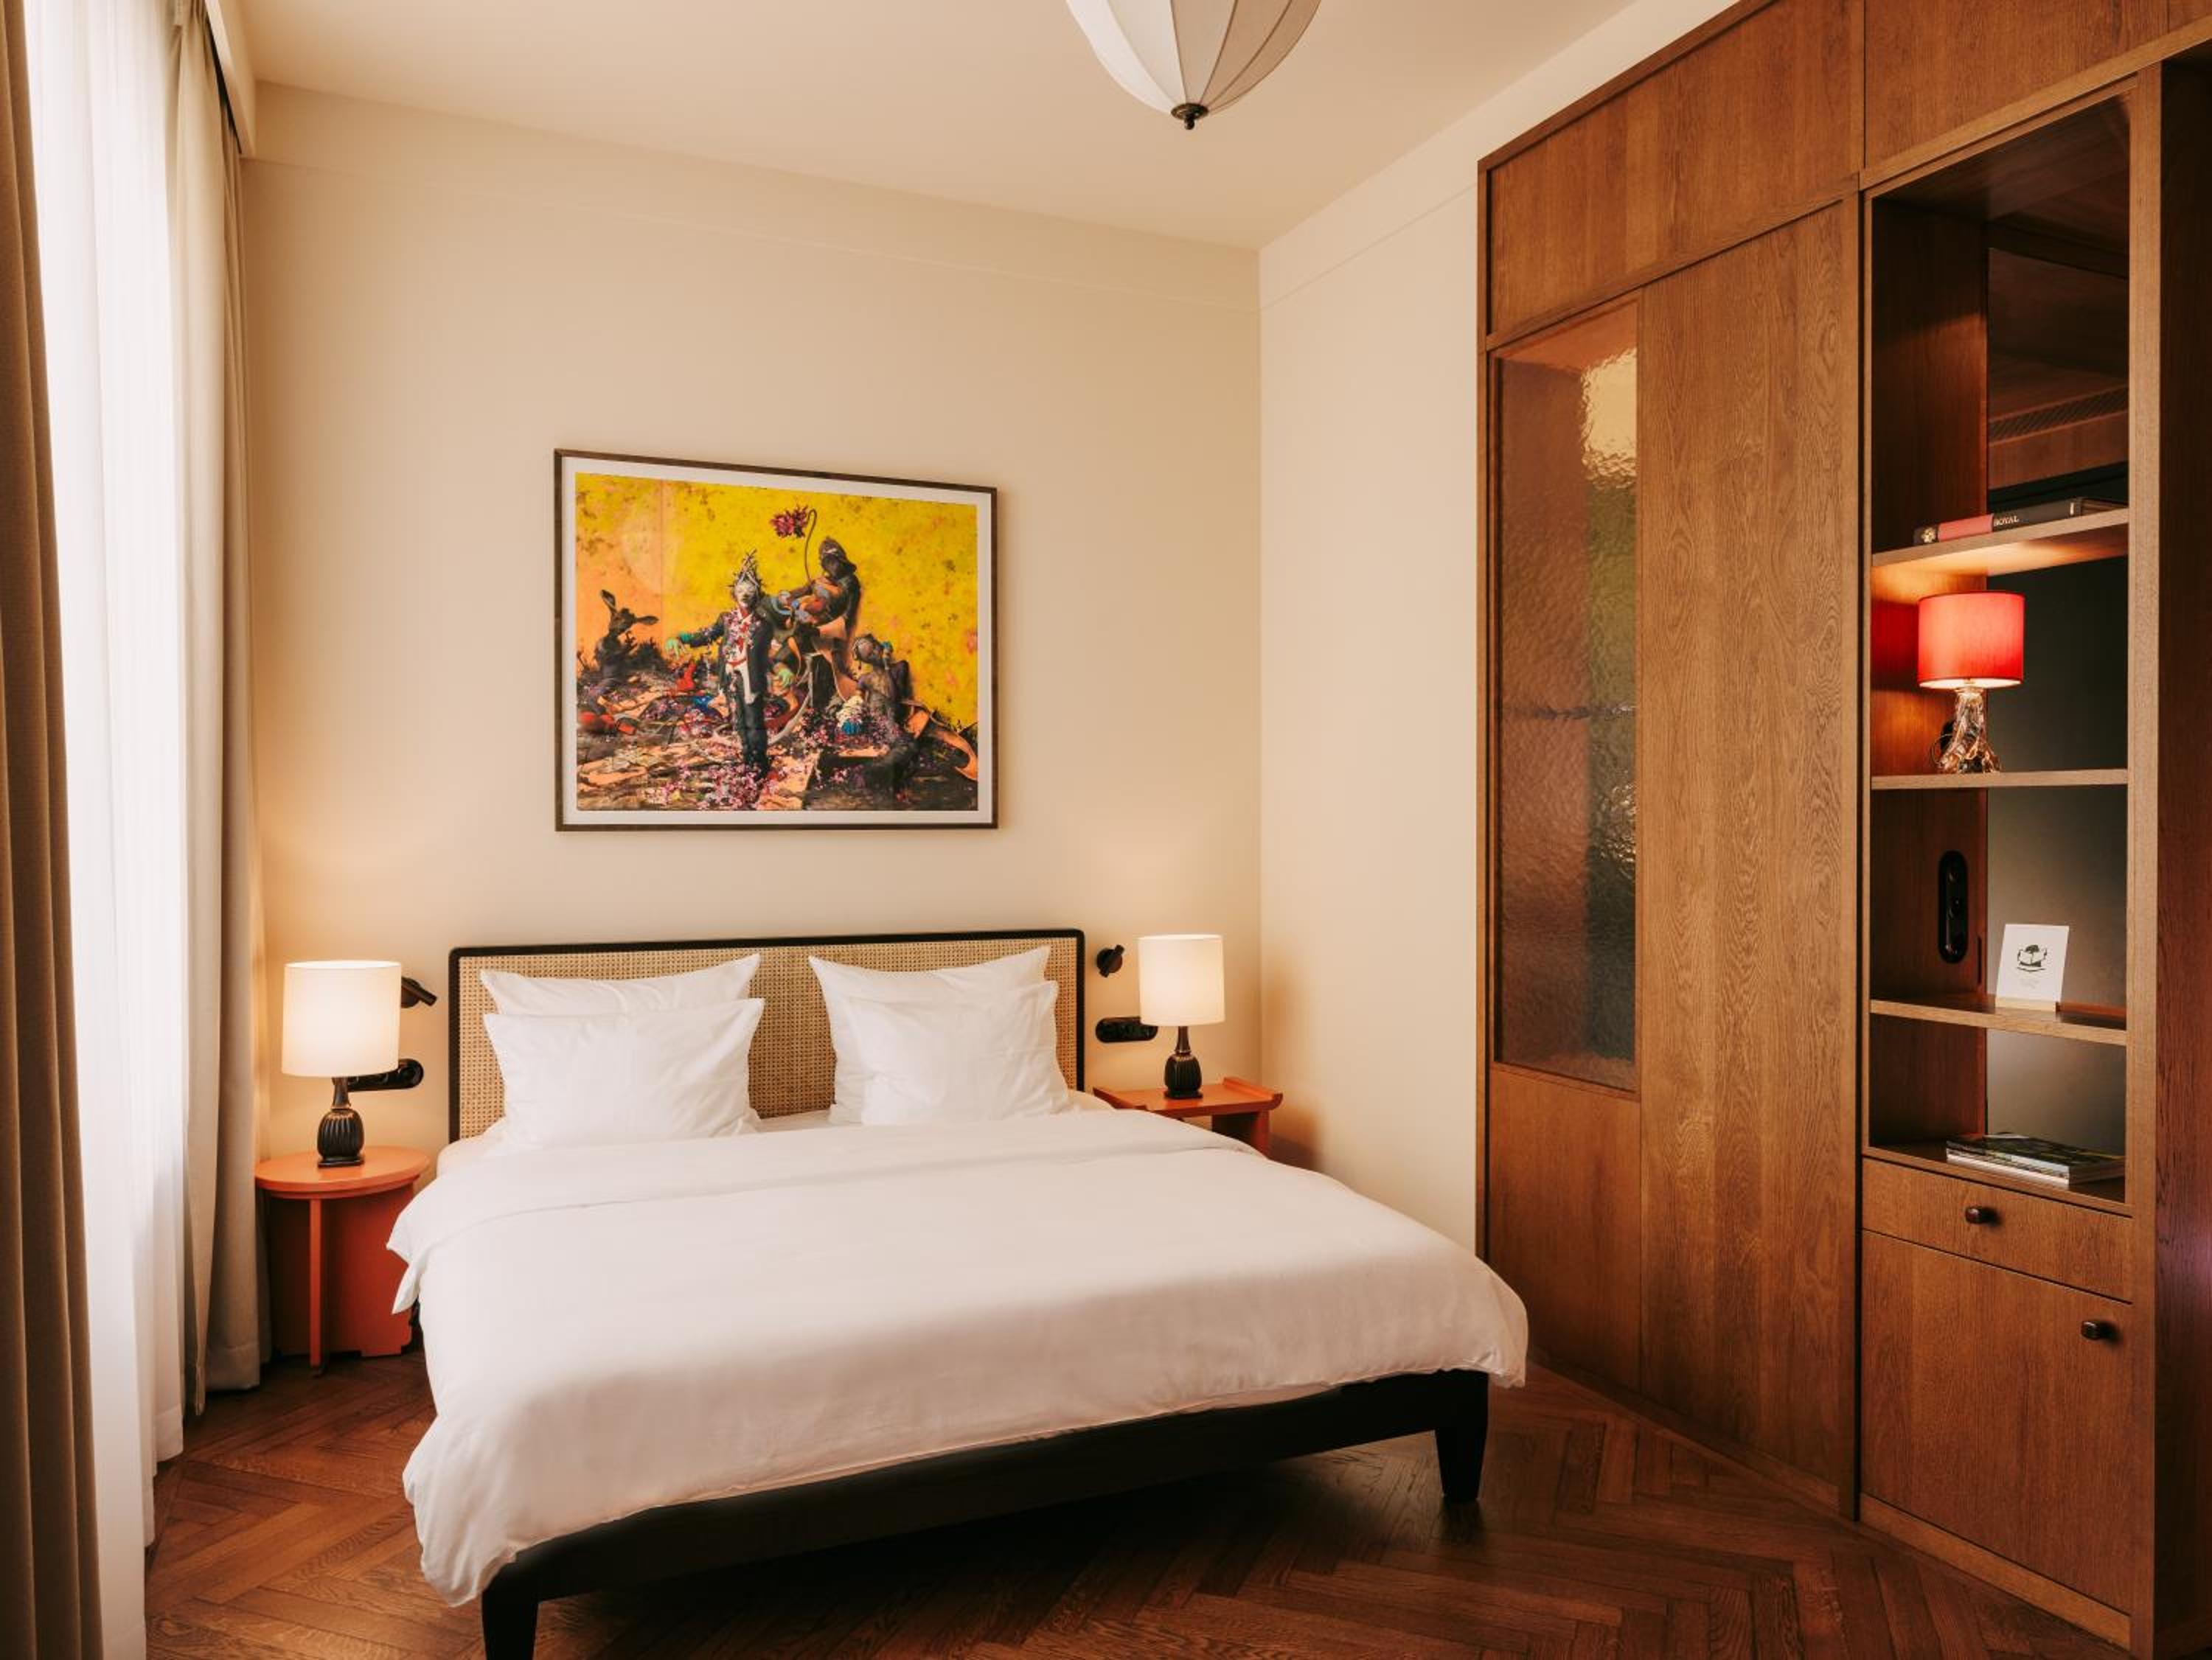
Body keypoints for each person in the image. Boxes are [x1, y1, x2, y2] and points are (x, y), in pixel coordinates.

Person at [675, 555, 775, 771]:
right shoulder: (726, 619)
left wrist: (782, 669)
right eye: (741, 590)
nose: (745, 595)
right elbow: (707, 635)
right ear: (734, 594)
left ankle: (760, 763)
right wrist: (681, 638)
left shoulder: (764, 625)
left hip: (751, 677)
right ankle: (747, 760)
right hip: (730, 675)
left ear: (757, 595)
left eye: (750, 591)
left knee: (754, 720)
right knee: (737, 719)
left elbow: (771, 654)